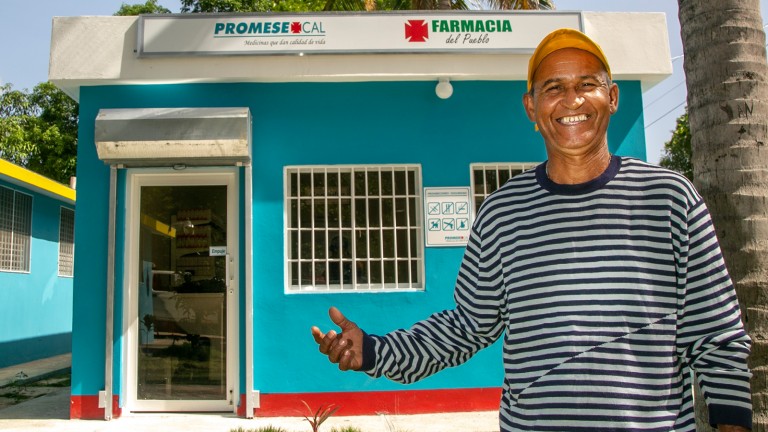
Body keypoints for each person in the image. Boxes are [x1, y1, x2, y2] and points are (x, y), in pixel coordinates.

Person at [311, 28, 753, 431]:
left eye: (587, 84)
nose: (572, 100)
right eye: (554, 88)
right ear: (531, 107)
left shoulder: (670, 199)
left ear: (613, 96)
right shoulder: (502, 213)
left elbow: (717, 337)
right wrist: (374, 351)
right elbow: (467, 326)